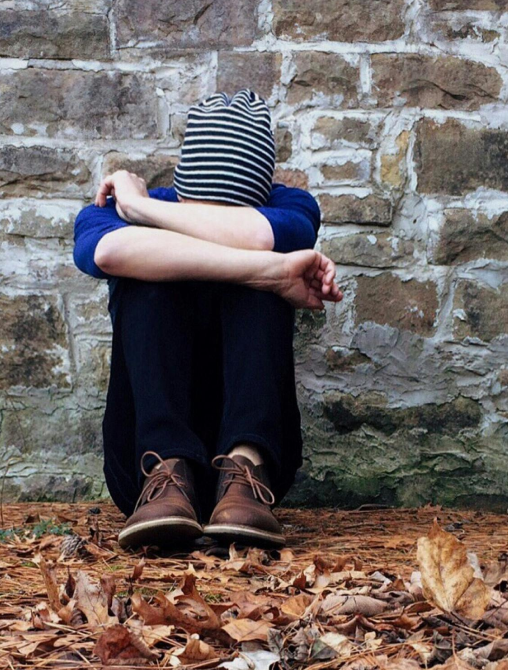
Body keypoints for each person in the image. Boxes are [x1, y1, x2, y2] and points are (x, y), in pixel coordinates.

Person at [73, 90, 342, 549]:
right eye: (198, 212)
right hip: (141, 463)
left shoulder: (293, 208)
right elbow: (109, 253)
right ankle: (169, 470)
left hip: (257, 463)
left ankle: (244, 468)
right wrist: (274, 274)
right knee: (150, 278)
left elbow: (258, 237)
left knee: (263, 280)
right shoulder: (109, 215)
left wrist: (142, 211)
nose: (210, 225)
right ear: (181, 193)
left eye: (228, 217)